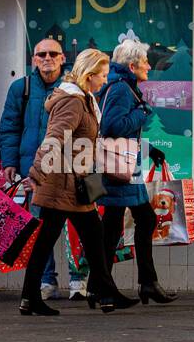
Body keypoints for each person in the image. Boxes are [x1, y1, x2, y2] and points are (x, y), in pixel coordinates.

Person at [20, 48, 138, 316]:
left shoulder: (83, 98)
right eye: (103, 75)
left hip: (74, 182)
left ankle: (104, 294)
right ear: (89, 75)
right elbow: (54, 138)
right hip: (61, 183)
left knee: (90, 237)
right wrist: (37, 173)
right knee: (62, 239)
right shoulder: (73, 101)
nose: (105, 81)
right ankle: (35, 298)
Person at [0, 37, 88, 300]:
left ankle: (78, 281)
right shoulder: (20, 88)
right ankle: (46, 281)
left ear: (62, 58)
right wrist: (9, 162)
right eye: (41, 55)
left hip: (69, 172)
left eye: (52, 54)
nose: (47, 58)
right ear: (34, 60)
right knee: (39, 229)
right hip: (34, 172)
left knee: (76, 229)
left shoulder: (74, 89)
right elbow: (9, 128)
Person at [97, 38, 176, 304]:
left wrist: (149, 149)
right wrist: (142, 112)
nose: (148, 65)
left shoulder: (123, 86)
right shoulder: (121, 89)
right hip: (120, 171)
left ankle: (105, 285)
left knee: (115, 227)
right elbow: (112, 128)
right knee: (139, 221)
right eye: (144, 61)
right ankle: (140, 284)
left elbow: (124, 131)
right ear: (132, 66)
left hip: (124, 169)